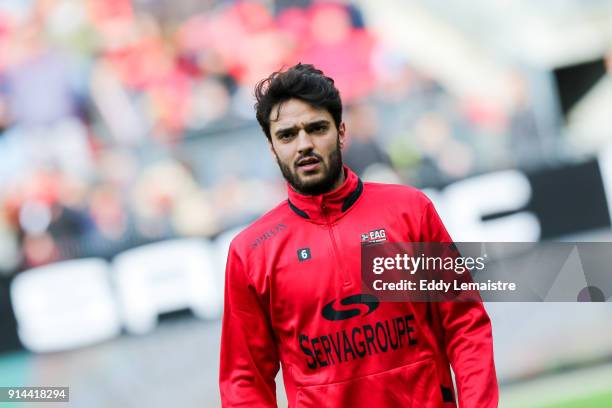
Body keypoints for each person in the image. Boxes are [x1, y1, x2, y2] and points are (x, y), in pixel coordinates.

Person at [219, 63, 498, 407]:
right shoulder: (252, 252)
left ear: (341, 131)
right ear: (272, 148)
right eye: (288, 135)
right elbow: (244, 379)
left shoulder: (409, 211)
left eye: (317, 128)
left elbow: (464, 324)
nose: (304, 144)